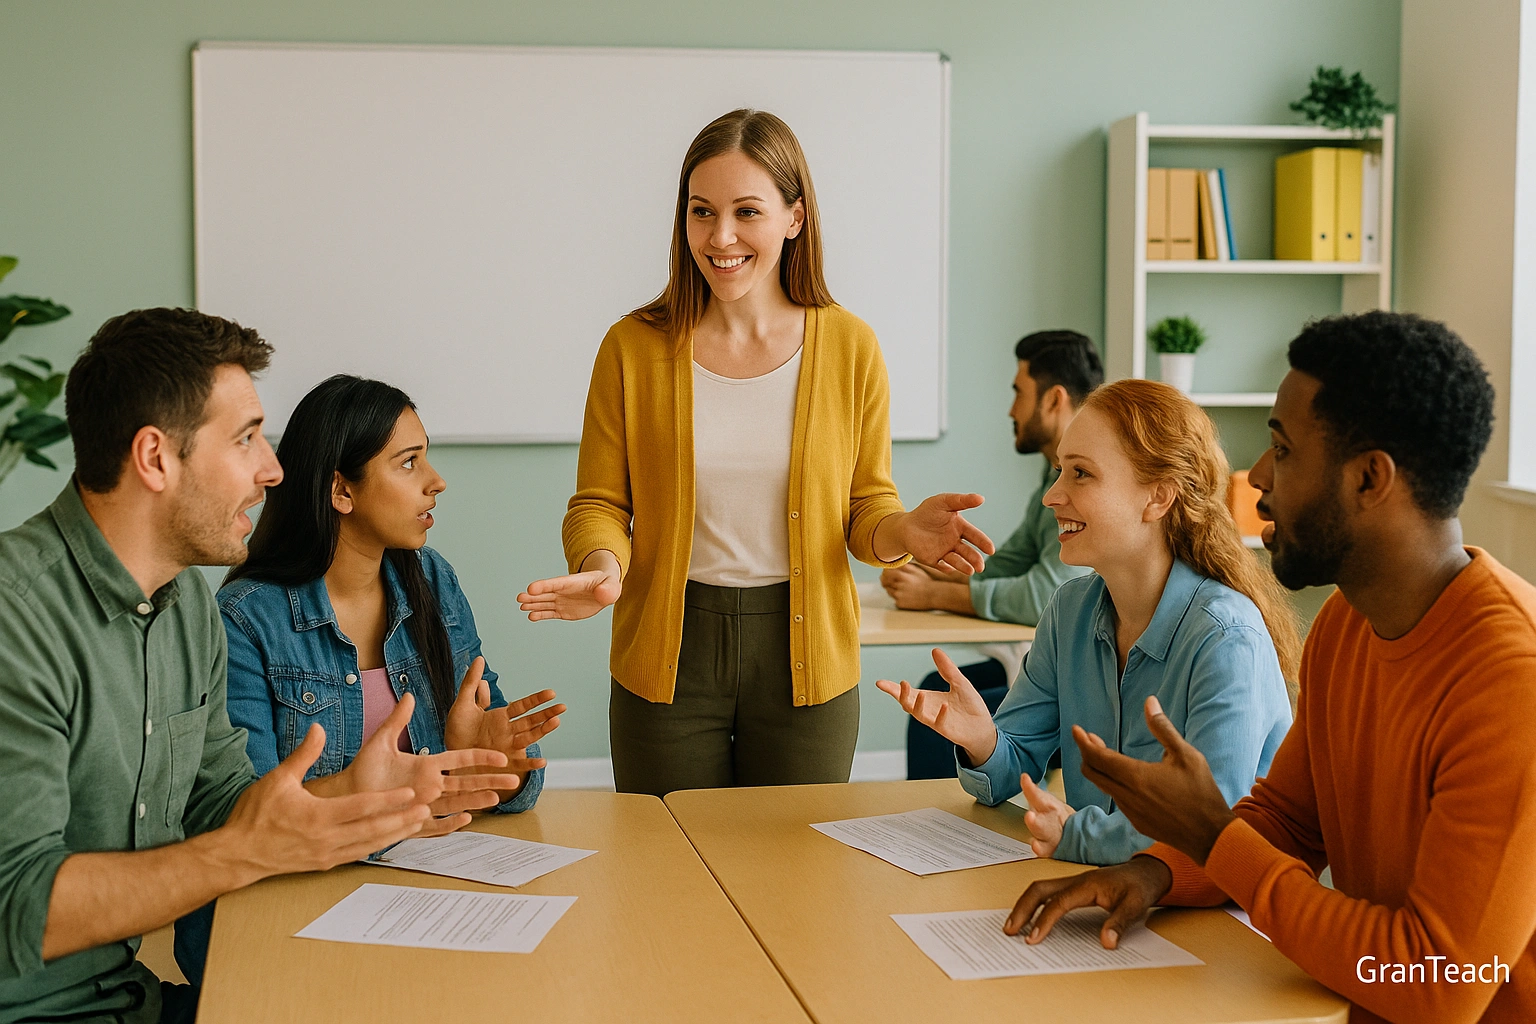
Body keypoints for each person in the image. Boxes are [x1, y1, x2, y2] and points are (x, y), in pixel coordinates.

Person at [1009, 312, 1536, 1024]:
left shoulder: (1512, 680)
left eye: (1282, 452)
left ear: (1369, 478)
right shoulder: (1350, 622)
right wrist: (1153, 873)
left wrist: (1213, 837)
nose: (1255, 476)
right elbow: (1286, 818)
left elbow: (1440, 981)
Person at [0, 309, 519, 1024]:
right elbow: (19, 913)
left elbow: (223, 806)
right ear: (155, 458)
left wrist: (346, 796)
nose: (273, 469)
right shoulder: (14, 617)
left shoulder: (183, 606)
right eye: (245, 439)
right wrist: (242, 853)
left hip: (127, 1001)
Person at [517, 108, 994, 796]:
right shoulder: (632, 348)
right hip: (668, 651)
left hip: (808, 654)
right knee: (671, 869)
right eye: (701, 212)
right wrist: (602, 570)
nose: (722, 237)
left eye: (747, 211)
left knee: (797, 879)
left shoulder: (850, 347)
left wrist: (904, 533)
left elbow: (865, 509)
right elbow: (600, 501)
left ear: (794, 217)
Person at [173, 374, 564, 982]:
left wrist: (491, 761)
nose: (436, 480)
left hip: (416, 903)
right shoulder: (248, 619)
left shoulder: (430, 581)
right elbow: (242, 818)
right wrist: (385, 801)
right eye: (408, 463)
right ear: (340, 490)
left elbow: (506, 781)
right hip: (292, 915)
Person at [878, 378, 1297, 865]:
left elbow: (1207, 832)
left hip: (1212, 913)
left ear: (1158, 498)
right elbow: (1006, 774)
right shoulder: (1070, 611)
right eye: (1059, 471)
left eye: (1080, 474)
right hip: (1097, 887)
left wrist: (1076, 834)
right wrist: (984, 742)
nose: (1051, 496)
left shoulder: (1225, 638)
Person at [880, 329, 1099, 779]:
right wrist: (933, 564)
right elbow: (1014, 562)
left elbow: (1043, 592)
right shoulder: (1052, 480)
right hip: (1049, 666)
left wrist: (934, 597)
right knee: (931, 693)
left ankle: (945, 837)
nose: (1010, 409)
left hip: (1075, 680)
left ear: (1054, 399)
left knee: (934, 719)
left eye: (1018, 392)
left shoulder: (1076, 492)